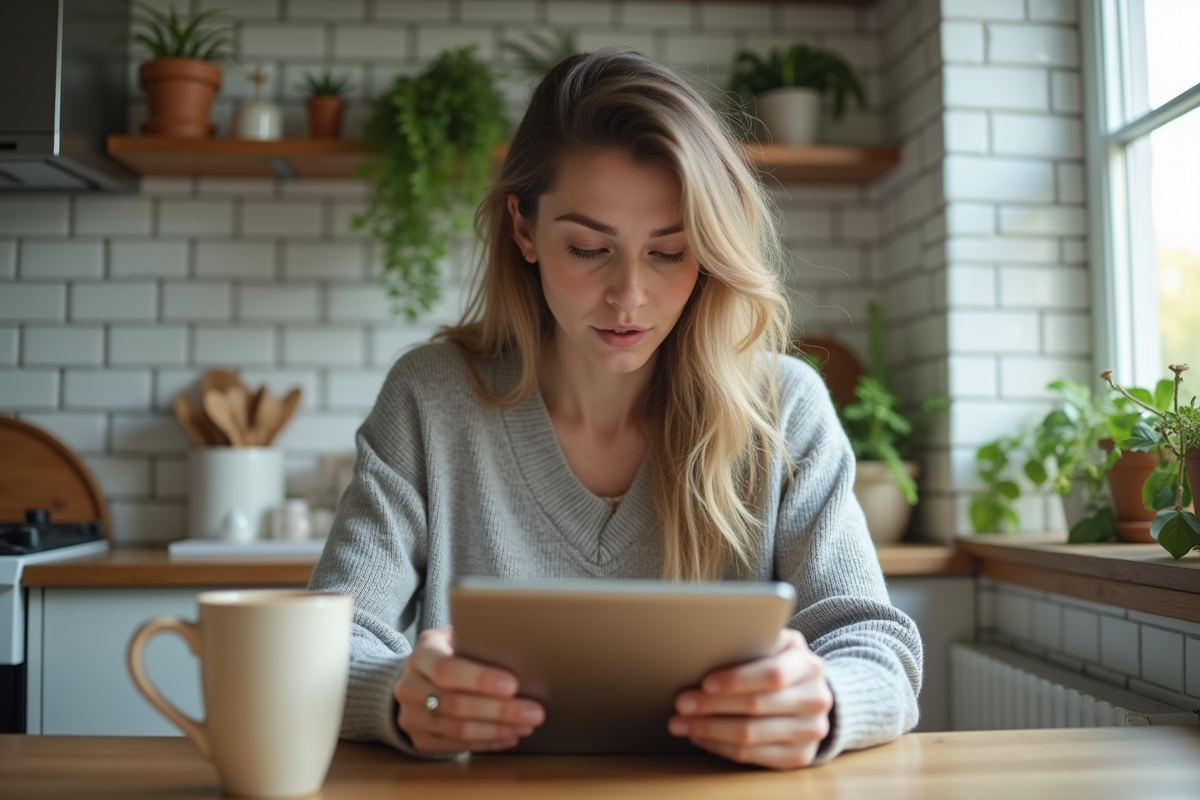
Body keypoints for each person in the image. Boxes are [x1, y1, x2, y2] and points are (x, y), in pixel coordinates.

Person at [308, 47, 922, 770]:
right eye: (590, 247)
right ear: (525, 229)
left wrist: (823, 702)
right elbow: (330, 644)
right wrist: (399, 695)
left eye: (669, 252)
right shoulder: (431, 398)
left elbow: (877, 651)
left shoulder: (782, 407)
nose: (628, 295)